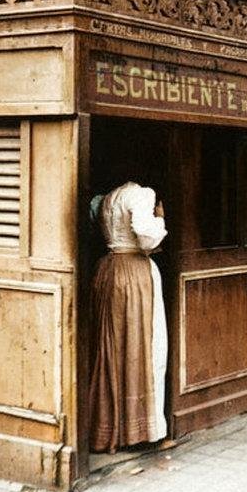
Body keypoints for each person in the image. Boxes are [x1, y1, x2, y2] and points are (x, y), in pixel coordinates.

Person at [89, 181, 168, 453]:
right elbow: (146, 236)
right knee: (139, 343)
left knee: (112, 345)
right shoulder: (142, 194)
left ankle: (110, 425)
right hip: (134, 273)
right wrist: (161, 220)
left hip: (108, 269)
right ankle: (137, 430)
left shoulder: (107, 198)